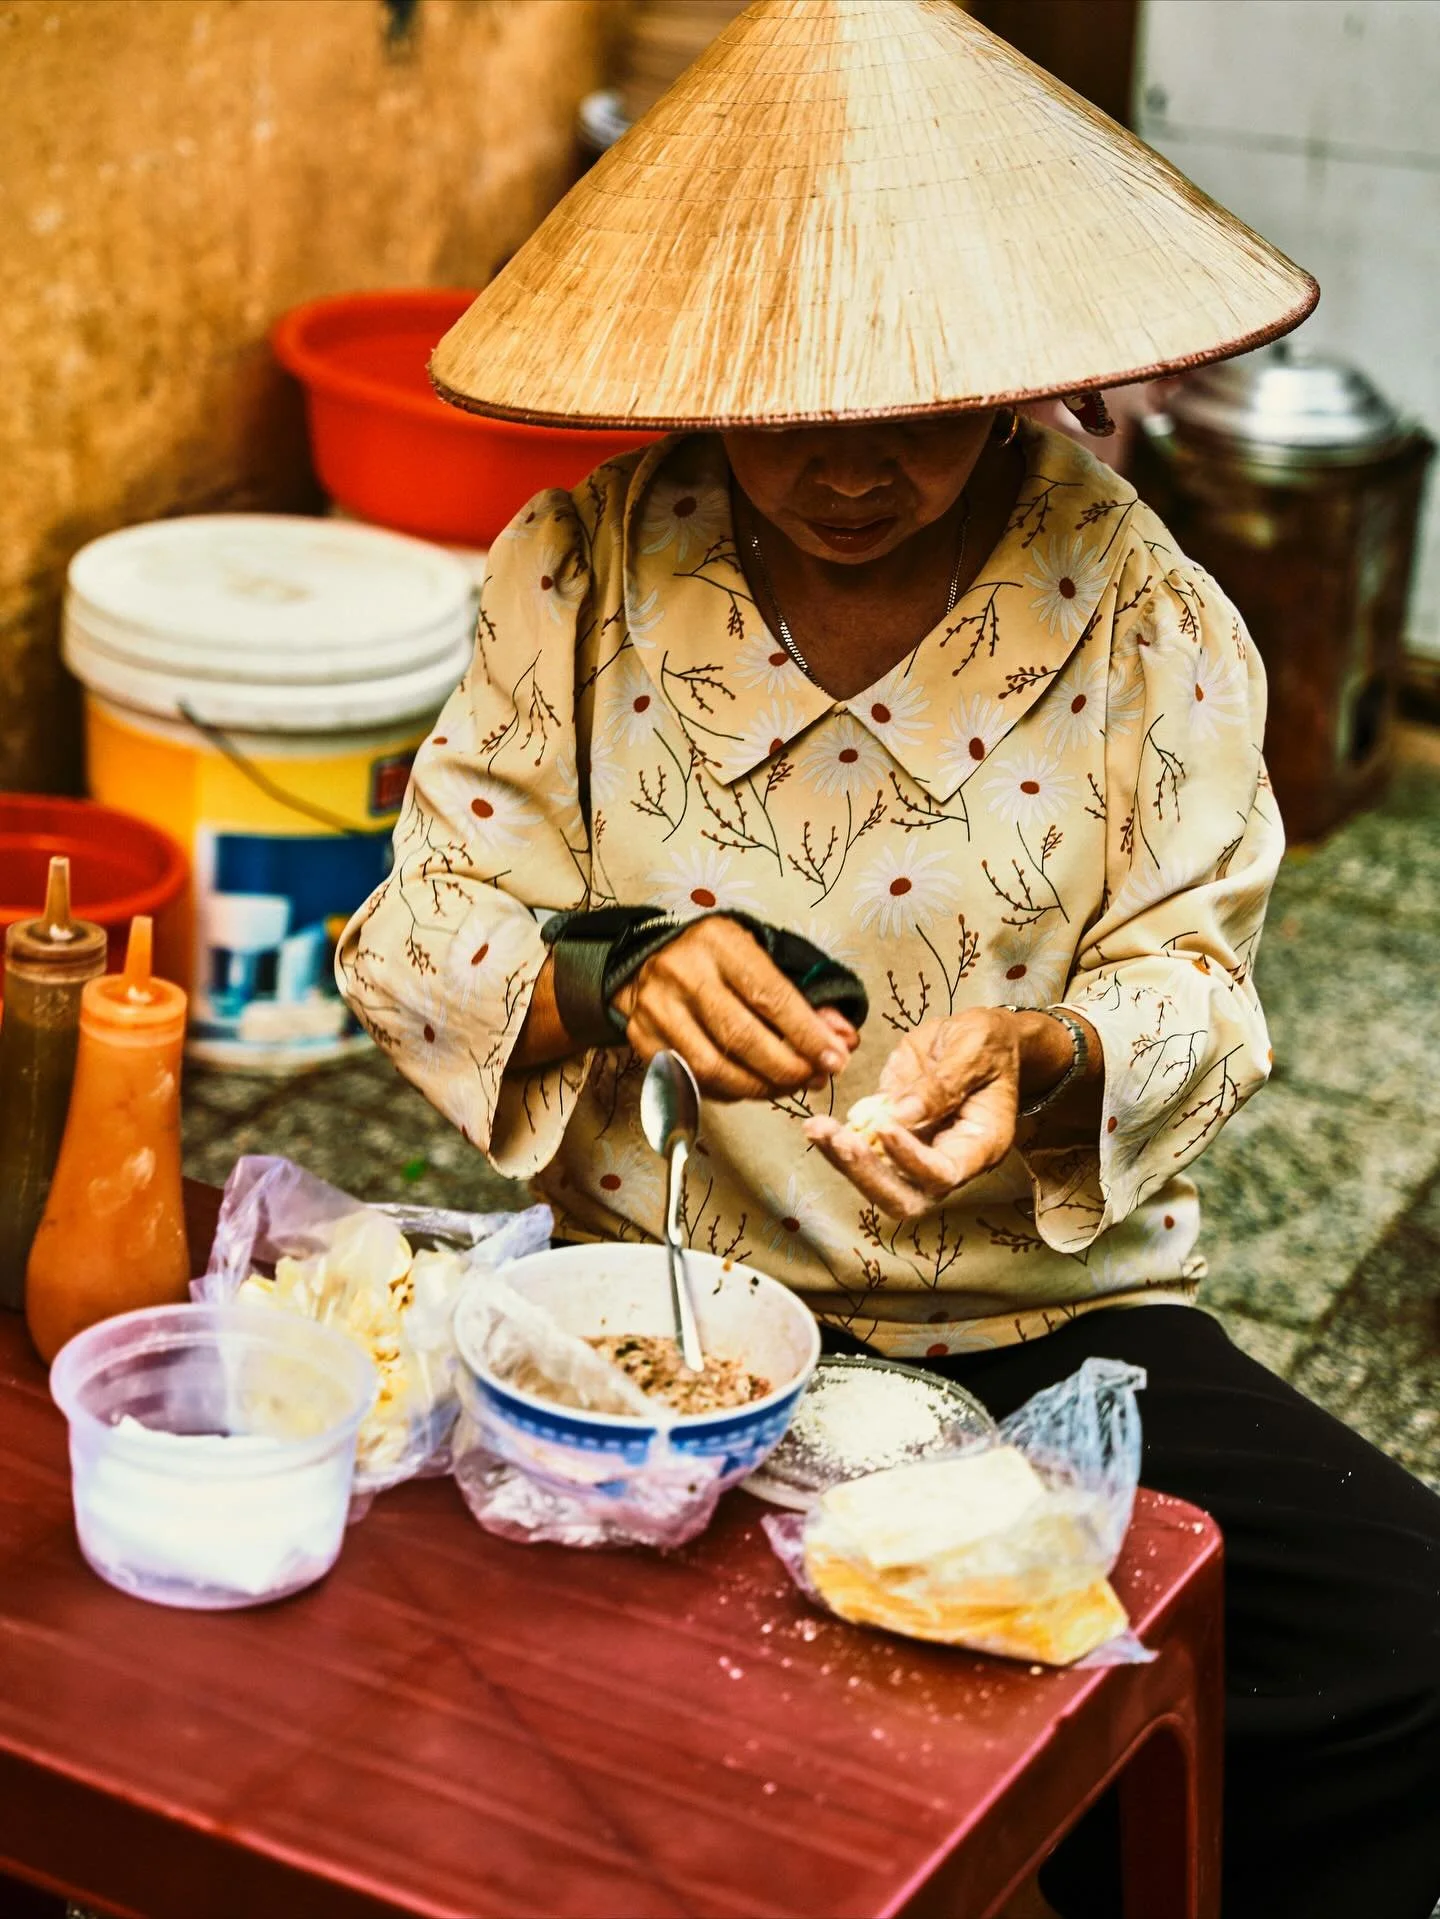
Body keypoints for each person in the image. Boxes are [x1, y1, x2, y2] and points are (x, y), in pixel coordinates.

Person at [338, 4, 1440, 1912]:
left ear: (1019, 369)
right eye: (798, 409)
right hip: (663, 1318)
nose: (855, 468)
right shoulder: (576, 569)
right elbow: (412, 927)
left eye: (921, 405)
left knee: (1405, 1646)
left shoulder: (1147, 615)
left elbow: (1200, 974)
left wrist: (1058, 1052)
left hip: (1037, 1325)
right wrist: (604, 972)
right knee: (439, 1671)